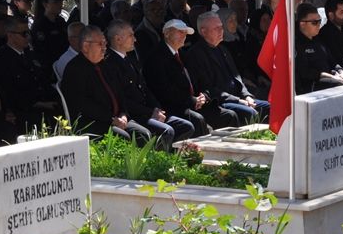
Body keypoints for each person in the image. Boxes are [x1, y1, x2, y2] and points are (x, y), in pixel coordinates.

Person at [103, 20, 195, 149]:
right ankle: (161, 164)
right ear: (118, 39)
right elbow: (122, 98)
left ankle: (176, 159)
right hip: (134, 114)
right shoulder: (110, 64)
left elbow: (145, 88)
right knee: (166, 131)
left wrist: (156, 108)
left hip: (147, 111)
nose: (135, 39)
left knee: (186, 126)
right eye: (130, 35)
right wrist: (150, 112)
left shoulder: (130, 59)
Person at [60, 26, 152, 143]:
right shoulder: (75, 69)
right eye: (100, 44)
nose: (104, 48)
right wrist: (111, 119)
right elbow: (82, 104)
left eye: (105, 43)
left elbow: (119, 93)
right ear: (86, 46)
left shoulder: (106, 65)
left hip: (116, 118)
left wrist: (123, 114)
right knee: (124, 138)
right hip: (93, 122)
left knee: (144, 134)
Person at [143, 19, 234, 134]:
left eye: (185, 33)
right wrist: (192, 100)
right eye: (180, 32)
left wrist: (203, 96)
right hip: (173, 106)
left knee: (228, 115)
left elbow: (200, 80)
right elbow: (164, 91)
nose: (184, 36)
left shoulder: (183, 55)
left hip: (193, 103)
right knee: (197, 120)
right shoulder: (156, 58)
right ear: (167, 33)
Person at [183, 12, 269, 125]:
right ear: (203, 31)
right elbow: (209, 88)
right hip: (220, 102)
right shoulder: (196, 54)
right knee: (250, 112)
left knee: (270, 107)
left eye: (221, 27)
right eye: (216, 28)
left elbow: (237, 77)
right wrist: (238, 100)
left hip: (238, 98)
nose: (221, 30)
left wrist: (247, 96)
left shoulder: (223, 49)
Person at [0, 17, 61, 133]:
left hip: (44, 106)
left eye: (29, 33)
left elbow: (42, 80)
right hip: (23, 113)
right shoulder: (0, 60)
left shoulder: (31, 55)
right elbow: (9, 94)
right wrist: (38, 104)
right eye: (24, 33)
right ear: (10, 35)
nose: (28, 37)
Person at [295, 3, 343, 94]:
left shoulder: (319, 40)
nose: (318, 25)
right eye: (314, 22)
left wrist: (341, 71)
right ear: (302, 24)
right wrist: (331, 77)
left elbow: (332, 61)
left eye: (319, 21)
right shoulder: (297, 44)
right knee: (339, 85)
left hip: (332, 77)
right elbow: (306, 72)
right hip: (312, 85)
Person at [31, 0, 69, 76]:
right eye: (55, 2)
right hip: (51, 70)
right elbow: (43, 53)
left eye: (61, 1)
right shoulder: (40, 26)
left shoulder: (61, 21)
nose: (60, 4)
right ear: (45, 4)